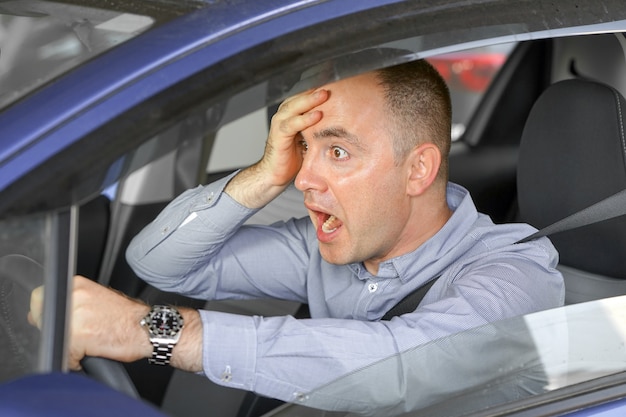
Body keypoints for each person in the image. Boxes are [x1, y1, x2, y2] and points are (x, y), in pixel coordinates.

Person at [30, 59, 564, 413]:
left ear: (418, 170)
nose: (304, 178)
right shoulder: (327, 245)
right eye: (303, 148)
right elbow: (159, 264)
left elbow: (403, 365)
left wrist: (155, 331)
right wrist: (262, 175)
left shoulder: (516, 276)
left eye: (337, 151)